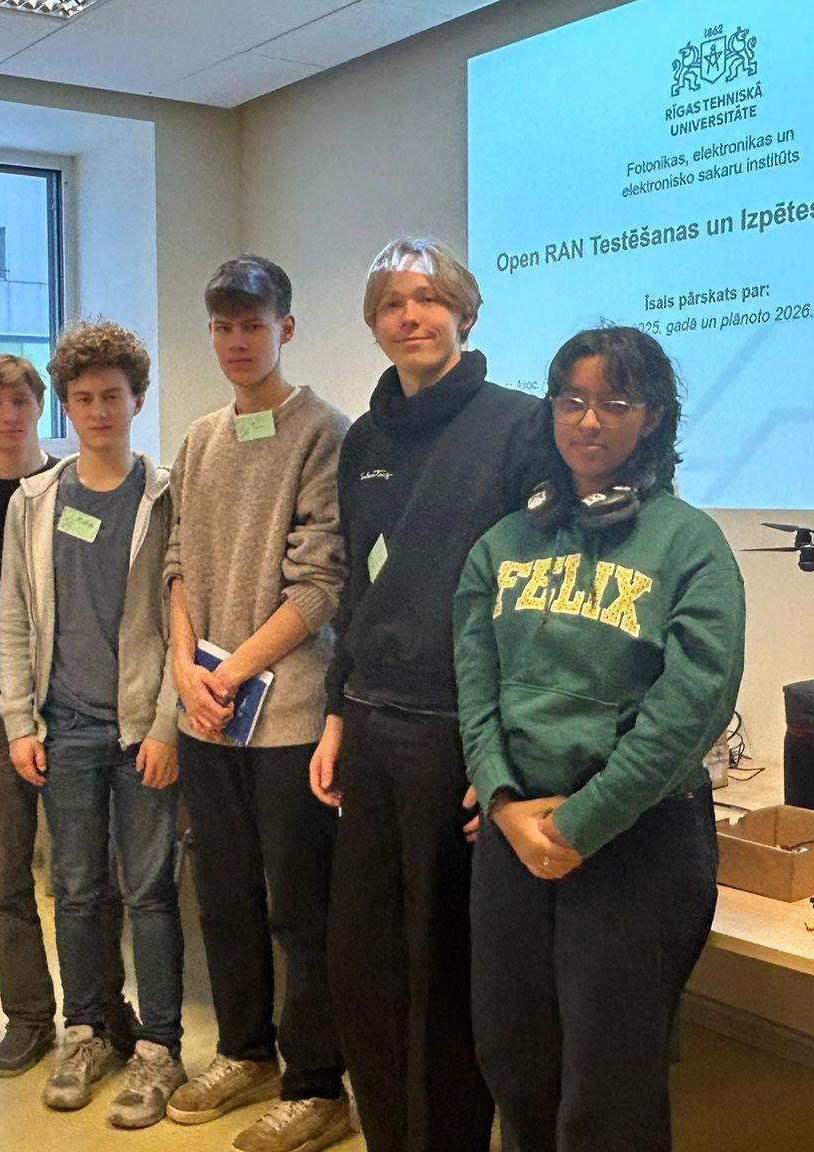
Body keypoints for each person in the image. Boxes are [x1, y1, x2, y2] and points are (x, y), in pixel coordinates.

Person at [453, 326, 745, 1152]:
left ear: (651, 416)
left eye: (615, 402)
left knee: (607, 1085)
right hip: (514, 840)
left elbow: (691, 709)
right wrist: (503, 804)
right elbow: (477, 691)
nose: (589, 420)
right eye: (572, 400)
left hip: (636, 842)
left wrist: (580, 824)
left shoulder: (690, 545)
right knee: (513, 1059)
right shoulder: (501, 545)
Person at [309, 237, 545, 1152]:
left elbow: (535, 601)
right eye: (391, 303)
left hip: (459, 730)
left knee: (445, 964)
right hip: (371, 723)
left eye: (428, 298)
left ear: (466, 313)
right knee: (364, 961)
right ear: (373, 324)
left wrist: (505, 755)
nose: (410, 316)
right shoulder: (364, 440)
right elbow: (357, 590)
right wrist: (338, 711)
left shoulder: (520, 426)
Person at [164, 256, 354, 1152]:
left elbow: (321, 584)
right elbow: (175, 565)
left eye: (253, 324)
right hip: (206, 715)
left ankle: (317, 1085)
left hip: (288, 718)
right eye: (223, 326)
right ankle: (245, 1053)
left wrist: (231, 671)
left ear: (286, 327)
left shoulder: (325, 433)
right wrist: (184, 669)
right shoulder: (199, 440)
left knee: (300, 911)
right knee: (223, 897)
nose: (237, 341)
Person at [0, 353, 138, 1079]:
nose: (10, 415)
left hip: (75, 706)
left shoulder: (75, 486)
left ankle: (103, 1008)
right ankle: (29, 1015)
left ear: (44, 406)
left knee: (90, 876)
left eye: (21, 401)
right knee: (4, 881)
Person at [0, 319, 187, 1129]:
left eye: (112, 395)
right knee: (74, 890)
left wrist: (169, 726)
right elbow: (15, 615)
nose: (99, 410)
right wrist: (18, 720)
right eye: (82, 398)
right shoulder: (35, 501)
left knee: (150, 893)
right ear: (66, 407)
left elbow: (185, 619)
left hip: (143, 730)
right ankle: (87, 1033)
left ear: (137, 399)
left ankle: (160, 1048)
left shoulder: (167, 495)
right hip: (64, 727)